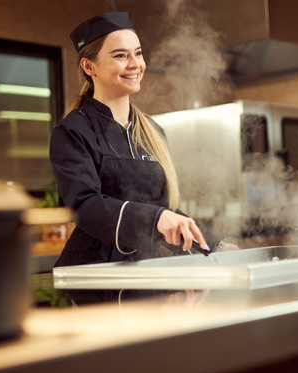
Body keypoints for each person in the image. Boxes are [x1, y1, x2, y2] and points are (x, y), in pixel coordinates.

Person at [50, 12, 227, 302]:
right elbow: (84, 206)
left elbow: (162, 209)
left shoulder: (152, 131)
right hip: (94, 281)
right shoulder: (73, 130)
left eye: (138, 53)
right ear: (89, 66)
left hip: (146, 274)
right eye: (120, 55)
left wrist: (214, 245)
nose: (135, 64)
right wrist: (156, 217)